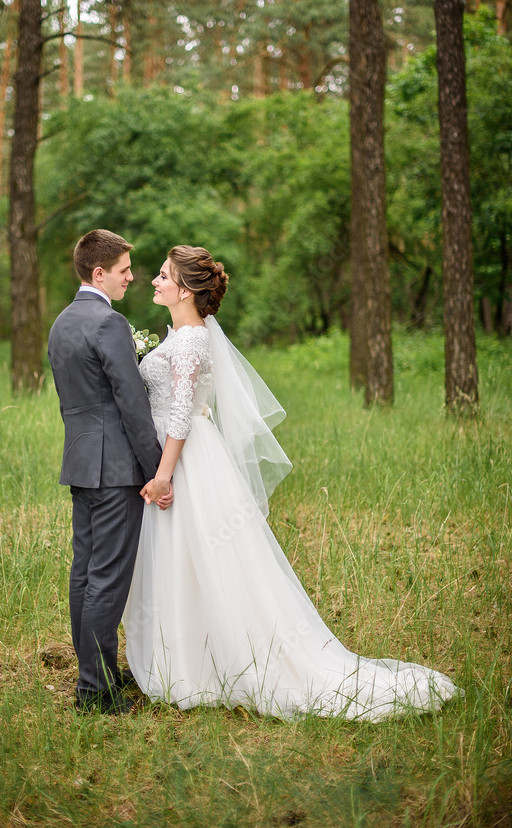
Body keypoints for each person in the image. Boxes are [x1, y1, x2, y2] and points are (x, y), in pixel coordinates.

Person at [123, 245, 461, 721]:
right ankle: (191, 655)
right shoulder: (184, 336)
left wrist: (162, 475)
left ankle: (205, 665)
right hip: (188, 451)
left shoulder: (191, 341)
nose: (154, 282)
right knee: (187, 557)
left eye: (162, 276)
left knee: (198, 553)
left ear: (186, 290)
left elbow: (180, 412)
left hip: (184, 459)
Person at [48, 229, 172, 714]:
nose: (131, 277)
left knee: (85, 574)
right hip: (117, 467)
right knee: (107, 579)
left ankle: (95, 674)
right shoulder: (109, 323)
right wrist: (157, 468)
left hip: (80, 462)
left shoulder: (61, 322)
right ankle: (94, 692)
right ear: (98, 273)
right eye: (123, 271)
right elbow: (132, 404)